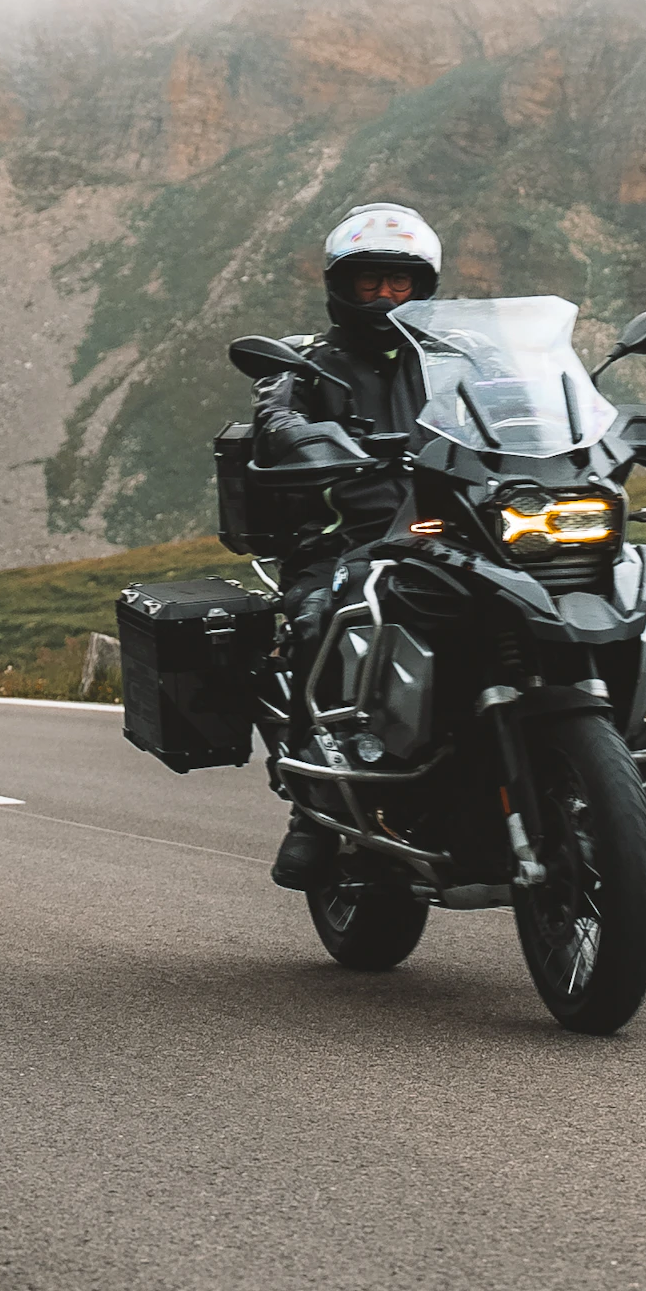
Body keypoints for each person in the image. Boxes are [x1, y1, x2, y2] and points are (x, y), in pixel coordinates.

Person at [251, 203, 442, 890]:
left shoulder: (452, 364)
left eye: (401, 282)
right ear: (343, 285)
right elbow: (275, 415)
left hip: (446, 530)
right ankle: (312, 805)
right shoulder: (309, 365)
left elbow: (519, 406)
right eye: (371, 283)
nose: (388, 297)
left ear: (424, 287)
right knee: (316, 617)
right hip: (345, 541)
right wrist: (295, 432)